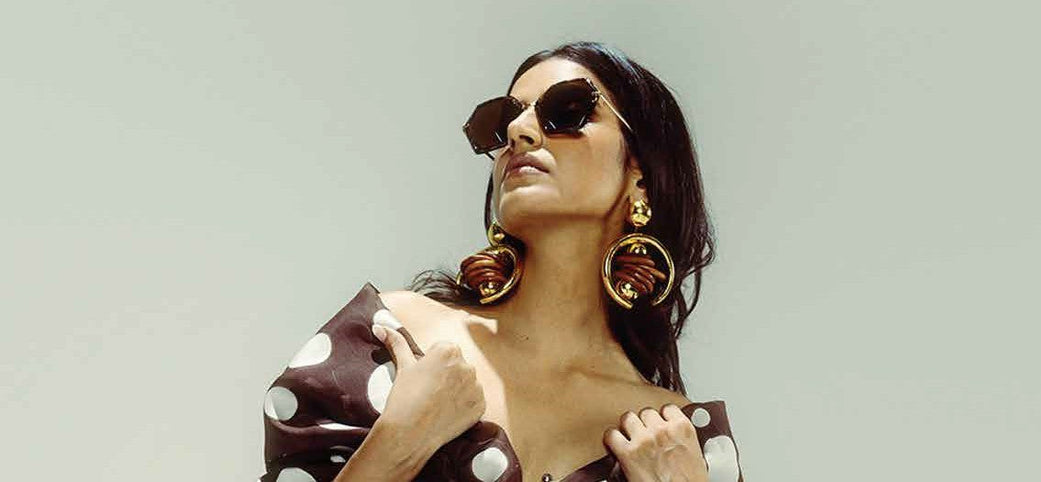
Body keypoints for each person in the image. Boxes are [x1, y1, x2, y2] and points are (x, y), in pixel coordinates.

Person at [260, 41, 744, 482]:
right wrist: (399, 443)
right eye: (503, 119)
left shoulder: (680, 441)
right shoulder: (390, 338)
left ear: (640, 173)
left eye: (567, 110)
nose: (518, 131)